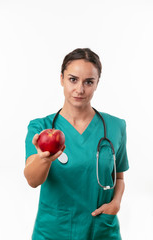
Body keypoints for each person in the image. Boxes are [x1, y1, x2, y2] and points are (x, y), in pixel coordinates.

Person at [24, 48, 129, 240]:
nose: (80, 89)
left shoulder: (115, 126)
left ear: (97, 83)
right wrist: (45, 159)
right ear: (62, 79)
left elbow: (119, 178)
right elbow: (32, 181)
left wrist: (116, 203)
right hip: (54, 231)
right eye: (73, 79)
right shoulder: (41, 128)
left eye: (89, 82)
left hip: (100, 231)